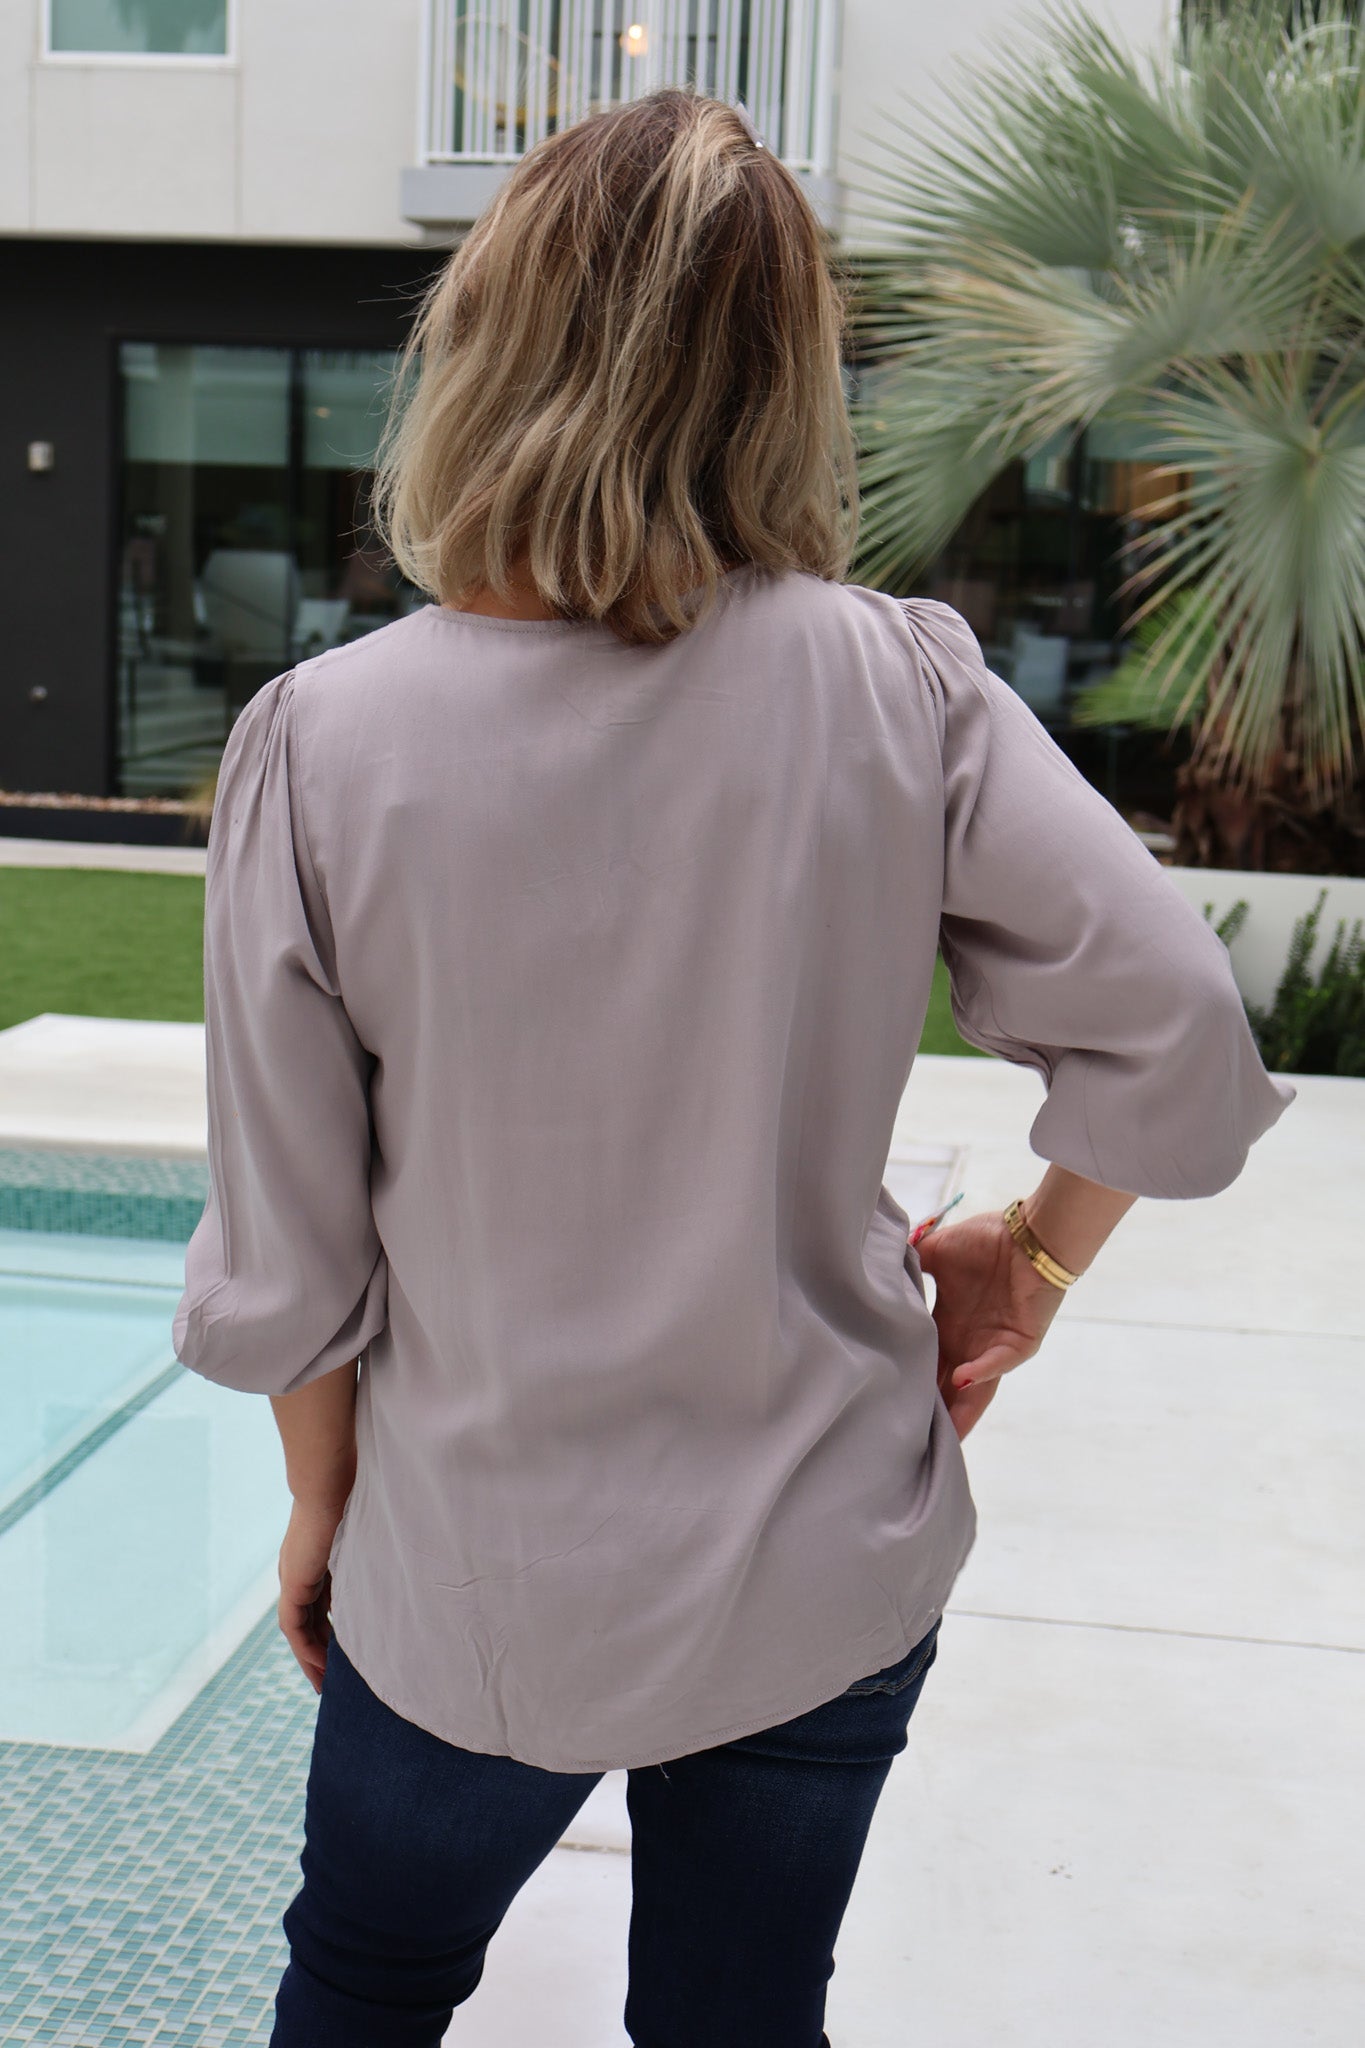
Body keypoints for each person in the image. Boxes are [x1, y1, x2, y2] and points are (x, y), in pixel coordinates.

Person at [171, 86, 1297, 2048]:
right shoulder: (905, 684)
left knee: (357, 1997)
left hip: (469, 1584)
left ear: (487, 342)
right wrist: (1023, 1266)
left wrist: (319, 1511)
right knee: (738, 2021)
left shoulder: (319, 742)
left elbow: (290, 1256)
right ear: (788, 379)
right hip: (820, 1566)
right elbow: (1177, 1036)